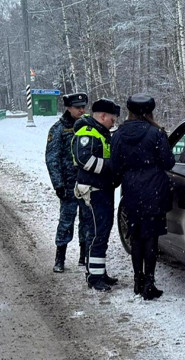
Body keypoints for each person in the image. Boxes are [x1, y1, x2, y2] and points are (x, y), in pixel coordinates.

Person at [110, 93, 175, 300]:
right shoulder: (156, 133)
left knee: (136, 235)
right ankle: (149, 282)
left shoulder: (119, 134)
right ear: (150, 111)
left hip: (131, 189)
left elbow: (115, 164)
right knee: (151, 236)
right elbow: (168, 162)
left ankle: (137, 280)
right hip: (154, 188)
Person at [72, 98, 120, 291]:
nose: (114, 122)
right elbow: (85, 160)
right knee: (97, 234)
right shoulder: (87, 133)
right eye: (112, 118)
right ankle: (94, 278)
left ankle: (98, 272)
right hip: (93, 192)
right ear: (102, 116)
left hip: (102, 190)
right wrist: (111, 167)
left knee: (102, 232)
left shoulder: (100, 132)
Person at [46, 92, 92, 273]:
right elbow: (52, 159)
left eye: (83, 107)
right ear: (68, 107)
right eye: (77, 107)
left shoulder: (89, 126)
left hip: (87, 182)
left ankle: (84, 255)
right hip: (68, 185)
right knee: (66, 221)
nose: (81, 110)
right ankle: (60, 258)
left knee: (87, 220)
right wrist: (58, 184)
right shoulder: (58, 129)